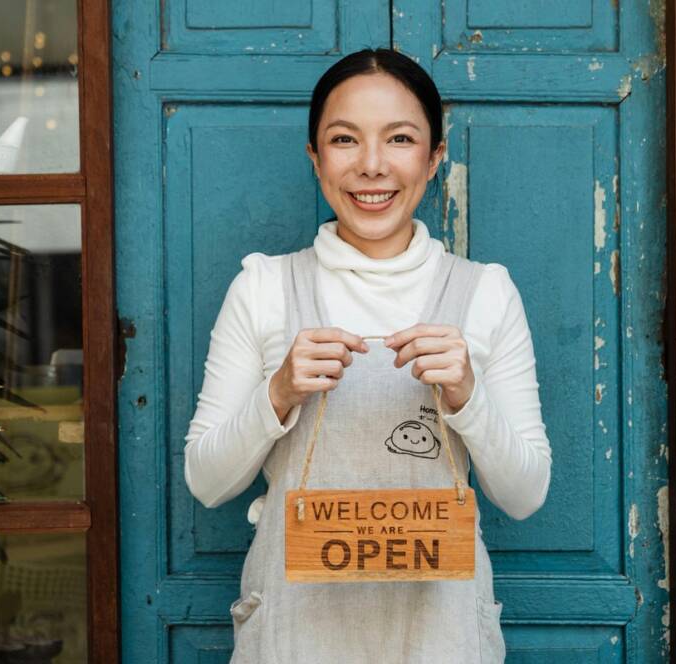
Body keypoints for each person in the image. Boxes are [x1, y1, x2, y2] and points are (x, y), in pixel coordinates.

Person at [184, 47, 551, 664]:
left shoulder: (485, 292)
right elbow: (206, 482)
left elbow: (525, 494)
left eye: (401, 139)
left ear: (434, 158)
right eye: (345, 139)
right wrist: (277, 394)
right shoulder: (264, 287)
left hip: (442, 637)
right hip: (294, 637)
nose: (372, 166)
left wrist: (467, 397)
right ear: (315, 158)